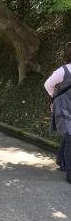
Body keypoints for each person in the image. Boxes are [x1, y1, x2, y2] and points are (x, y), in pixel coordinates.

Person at [44, 42, 71, 183]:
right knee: (70, 136)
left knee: (68, 136)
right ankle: (70, 173)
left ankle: (61, 161)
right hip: (64, 109)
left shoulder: (63, 71)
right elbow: (48, 84)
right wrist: (56, 97)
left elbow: (49, 86)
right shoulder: (62, 71)